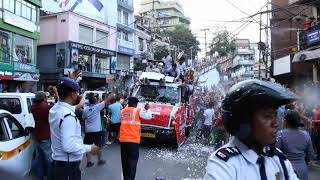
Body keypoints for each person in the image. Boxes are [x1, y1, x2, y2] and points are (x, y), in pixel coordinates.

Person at [204, 79, 299, 180]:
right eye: (267, 116)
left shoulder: (279, 159)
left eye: (275, 115)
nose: (275, 124)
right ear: (244, 121)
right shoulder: (223, 164)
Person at [49, 77, 99, 180]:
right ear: (72, 94)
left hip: (59, 165)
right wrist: (90, 148)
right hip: (67, 167)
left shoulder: (55, 109)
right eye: (77, 92)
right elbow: (68, 146)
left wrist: (70, 81)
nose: (77, 94)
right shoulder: (68, 116)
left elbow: (69, 105)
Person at [120, 97, 152, 180]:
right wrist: (147, 109)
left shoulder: (123, 111)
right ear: (135, 103)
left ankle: (126, 178)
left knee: (125, 162)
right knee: (132, 163)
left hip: (123, 140)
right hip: (133, 141)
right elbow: (149, 117)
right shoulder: (137, 111)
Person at [276, 109, 314, 180]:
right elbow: (310, 154)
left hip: (285, 170)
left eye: (284, 119)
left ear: (286, 121)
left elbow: (276, 153)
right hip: (302, 170)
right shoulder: (306, 134)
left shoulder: (280, 134)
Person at [82, 93, 110, 167]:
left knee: (87, 145)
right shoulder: (97, 107)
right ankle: (99, 160)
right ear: (95, 101)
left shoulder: (85, 109)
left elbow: (83, 118)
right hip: (96, 131)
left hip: (88, 131)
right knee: (98, 145)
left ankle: (88, 162)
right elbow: (106, 101)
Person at [31, 91, 54, 180]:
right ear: (44, 98)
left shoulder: (33, 107)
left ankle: (39, 177)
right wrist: (55, 93)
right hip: (46, 136)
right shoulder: (45, 108)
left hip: (38, 135)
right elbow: (58, 107)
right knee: (49, 159)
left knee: (39, 159)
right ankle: (50, 177)